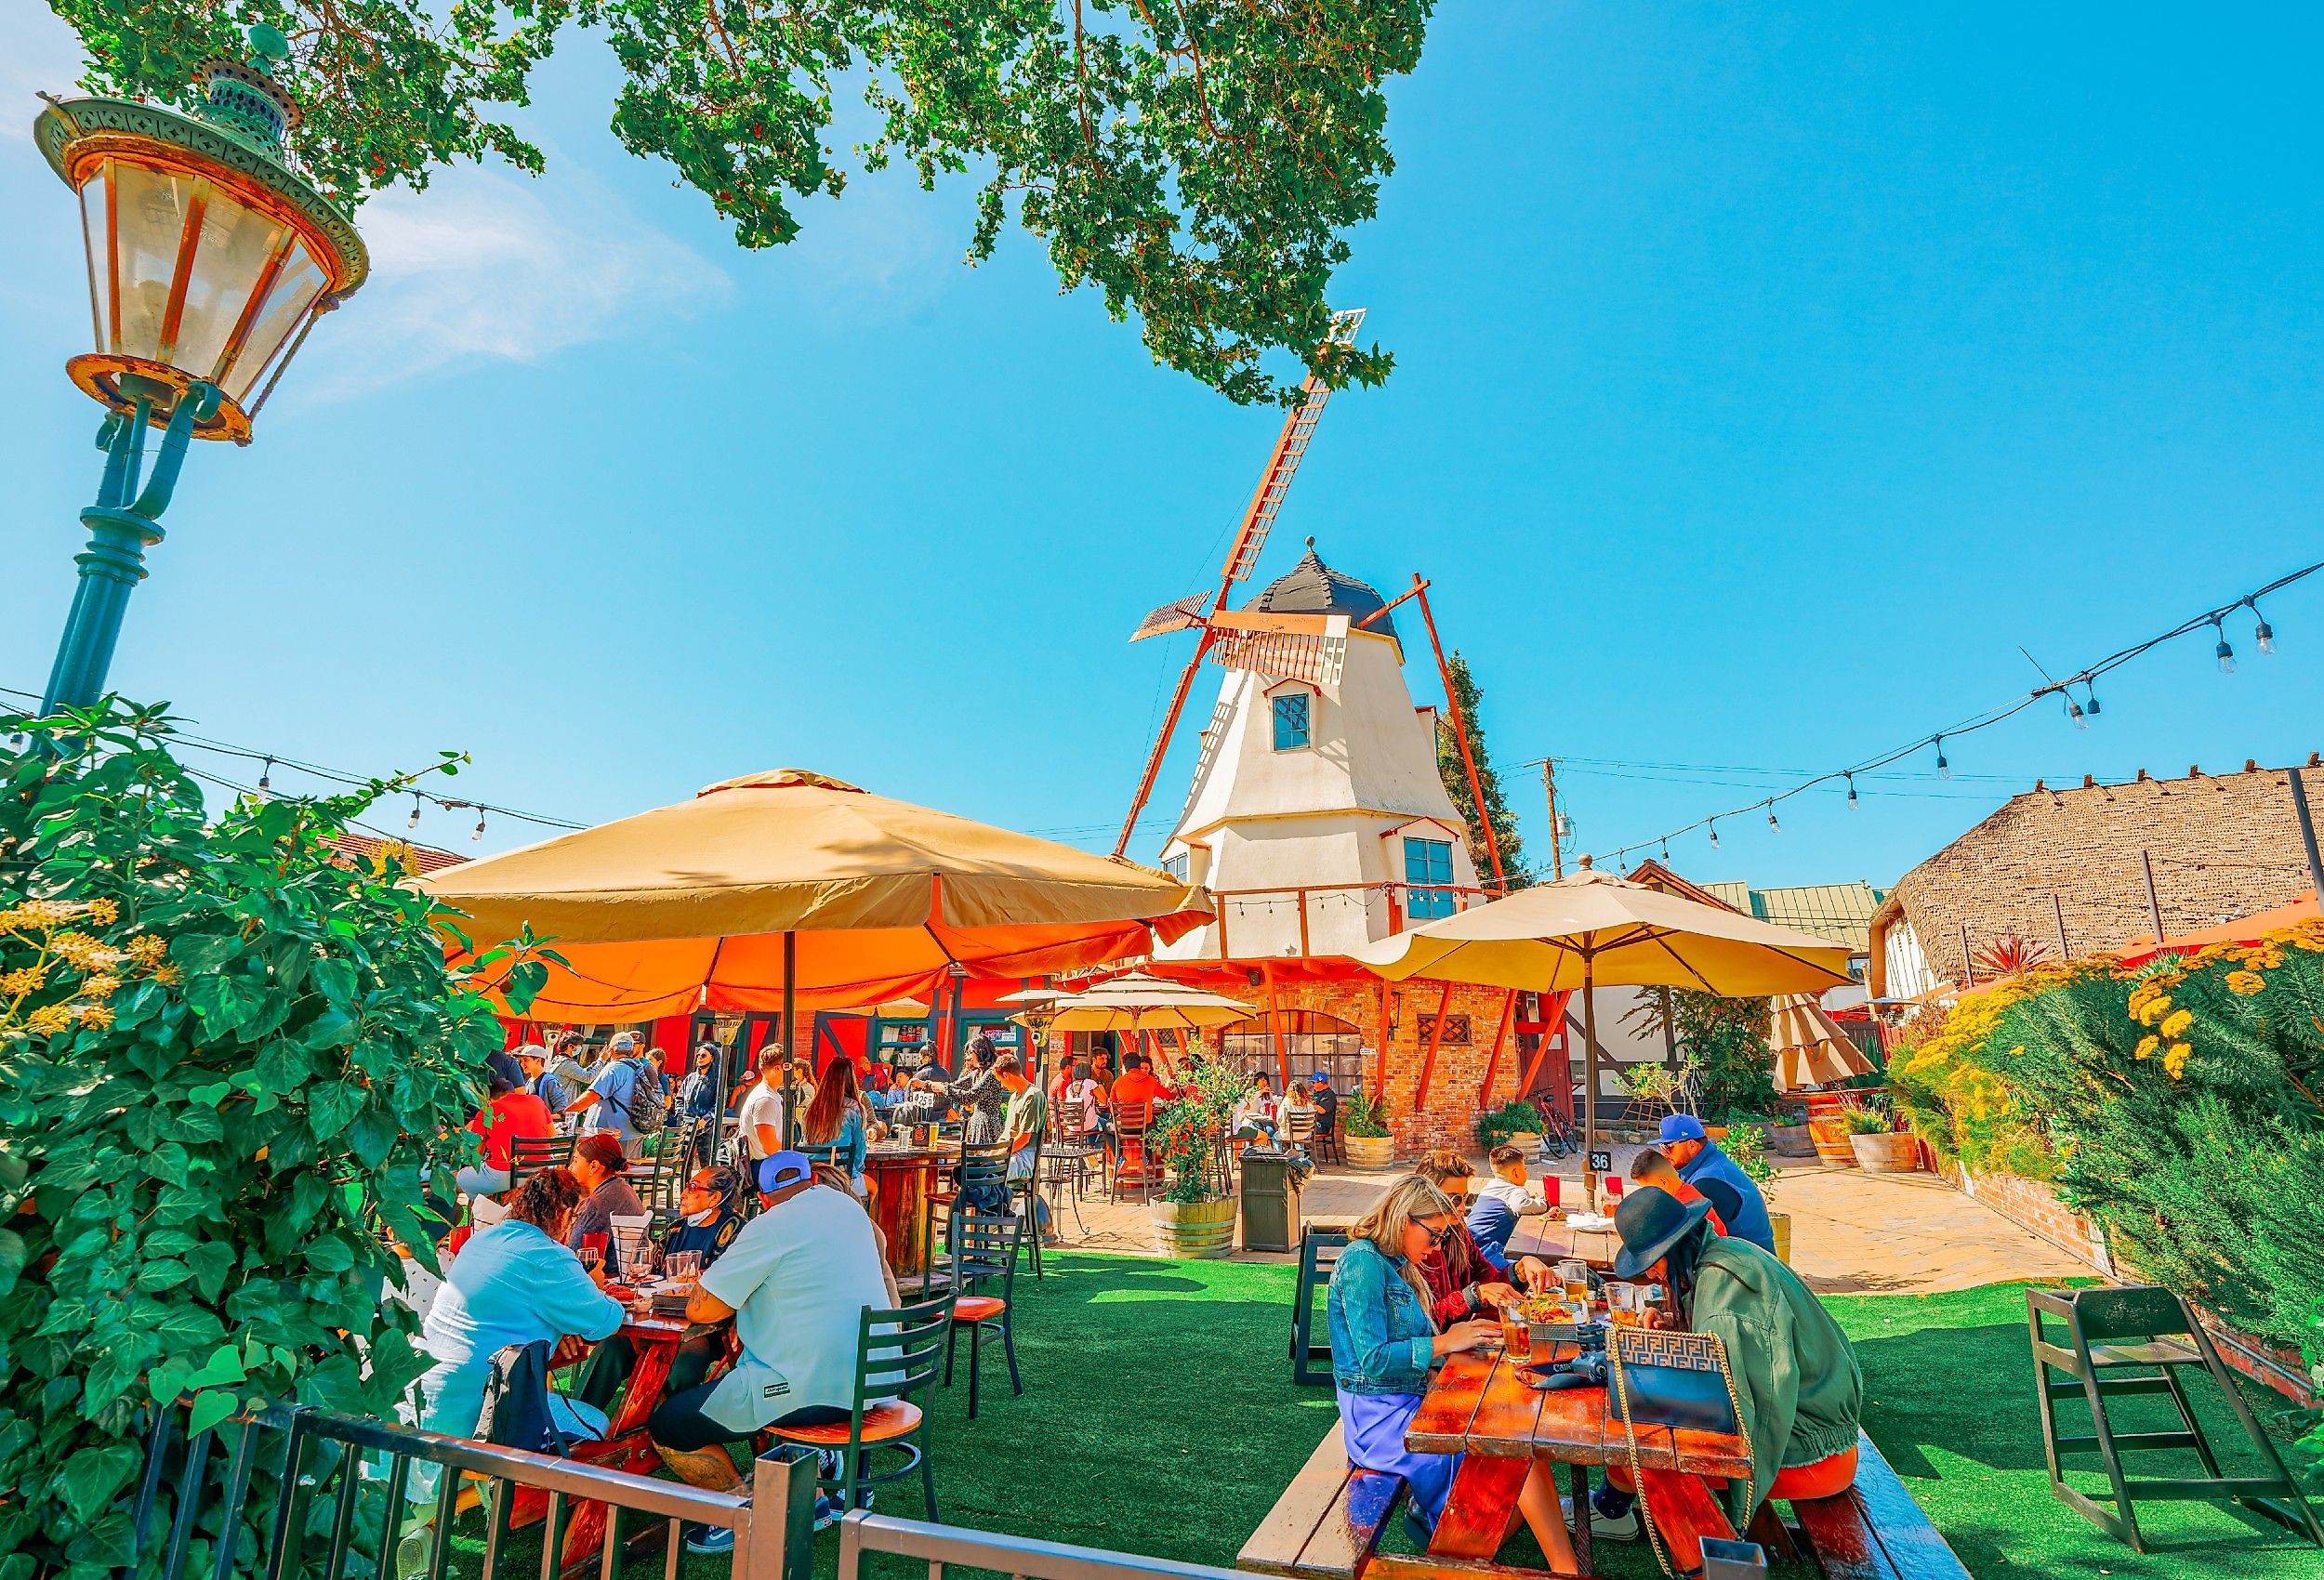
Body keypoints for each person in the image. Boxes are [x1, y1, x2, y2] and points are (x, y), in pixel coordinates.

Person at [1576, 1187, 1863, 1566]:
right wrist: (1674, 1327)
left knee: (1650, 1453)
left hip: (1817, 1451)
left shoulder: (1725, 1291)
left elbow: (1750, 1413)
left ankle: (1706, 1557)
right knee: (1639, 1442)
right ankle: (1614, 1511)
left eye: (1653, 1262)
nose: (1650, 1273)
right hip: (1815, 1423)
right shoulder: (1719, 1256)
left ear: (1673, 1248)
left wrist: (1736, 1517)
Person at [1327, 1176, 1578, 1567]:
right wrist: (1446, 1343)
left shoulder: (1395, 1262)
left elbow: (1418, 1330)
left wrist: (1455, 1341)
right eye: (1434, 1234)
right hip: (1380, 1418)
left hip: (1406, 1399)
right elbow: (1373, 1358)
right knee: (1507, 1451)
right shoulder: (1362, 1263)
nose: (1437, 1246)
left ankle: (1556, 1564)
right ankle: (1462, 1534)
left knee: (1519, 1446)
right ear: (1403, 1219)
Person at [650, 1152, 896, 1551]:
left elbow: (702, 1308)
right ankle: (811, 1483)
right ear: (811, 1179)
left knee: (668, 1425)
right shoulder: (847, 1209)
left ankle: (741, 1509)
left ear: (762, 1198)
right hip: (874, 1378)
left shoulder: (769, 1226)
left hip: (810, 1388)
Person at [407, 1170, 625, 1495]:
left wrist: (558, 1327)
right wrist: (594, 1286)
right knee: (597, 1424)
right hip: (481, 1412)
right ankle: (517, 1504)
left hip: (422, 1401)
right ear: (564, 1214)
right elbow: (605, 1321)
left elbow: (504, 1309)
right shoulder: (548, 1256)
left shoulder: (480, 1241)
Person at [1411, 1150, 1552, 1325]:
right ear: (1425, 1197)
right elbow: (1421, 1321)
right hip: (1439, 1347)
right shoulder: (1412, 1243)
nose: (1462, 1208)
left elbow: (1488, 1278)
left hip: (1466, 1337)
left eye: (1464, 1198)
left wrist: (1520, 1271)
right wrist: (1476, 1295)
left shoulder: (1458, 1232)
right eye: (1454, 1199)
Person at [1657, 1114, 1775, 1254]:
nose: (1663, 1153)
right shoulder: (1698, 1166)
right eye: (1661, 1146)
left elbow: (1688, 1240)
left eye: (1668, 1147)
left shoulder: (1709, 1181)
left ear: (1692, 1145)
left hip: (1753, 1267)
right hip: (1741, 1258)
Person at [458, 1050, 555, 1198]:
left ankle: (484, 1212)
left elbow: (476, 1154)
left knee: (462, 1177)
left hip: (503, 1174)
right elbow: (552, 1136)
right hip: (542, 1173)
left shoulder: (489, 1110)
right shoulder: (537, 1101)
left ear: (490, 1098)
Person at [564, 1032, 664, 1159]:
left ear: (611, 1050)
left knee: (607, 1175)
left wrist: (566, 1113)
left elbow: (591, 1096)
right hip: (635, 1132)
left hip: (614, 1137)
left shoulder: (615, 1068)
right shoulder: (640, 1066)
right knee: (625, 1175)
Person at [564, 1134, 649, 1275]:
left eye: (575, 1161)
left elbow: (574, 1253)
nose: (570, 1168)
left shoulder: (600, 1202)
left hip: (612, 1280)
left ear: (594, 1166)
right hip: (626, 1275)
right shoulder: (620, 1187)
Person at [997, 1052, 1055, 1244]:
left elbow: (1023, 1138)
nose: (1002, 1086)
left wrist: (996, 1152)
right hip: (1010, 1154)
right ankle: (996, 1215)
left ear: (1007, 1075)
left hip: (1023, 1158)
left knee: (987, 1172)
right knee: (975, 1173)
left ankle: (996, 1217)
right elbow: (1008, 1135)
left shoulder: (1033, 1096)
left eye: (1001, 1081)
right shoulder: (1014, 1097)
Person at [1465, 1143, 1552, 1257]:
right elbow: (1520, 1206)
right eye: (1524, 1169)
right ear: (1515, 1173)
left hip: (1470, 1242)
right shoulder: (1515, 1190)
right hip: (1486, 1249)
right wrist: (1543, 1203)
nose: (1526, 1172)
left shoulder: (1489, 1187)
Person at [919, 1037, 1010, 1144]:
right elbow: (955, 1085)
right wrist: (927, 1084)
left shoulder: (991, 1073)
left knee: (984, 1158)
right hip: (977, 1124)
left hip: (988, 1125)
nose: (970, 1057)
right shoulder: (977, 1073)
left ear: (979, 1052)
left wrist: (944, 1089)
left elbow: (970, 1097)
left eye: (971, 1052)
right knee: (973, 1158)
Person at [800, 1058, 871, 1193]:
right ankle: (859, 1214)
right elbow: (859, 1151)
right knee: (873, 1186)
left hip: (811, 1178)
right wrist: (857, 1170)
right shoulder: (855, 1109)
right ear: (851, 1080)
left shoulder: (811, 1108)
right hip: (840, 1177)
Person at [1630, 1147, 1729, 1237]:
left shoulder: (1681, 1207)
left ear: (1663, 1182)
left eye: (1647, 1189)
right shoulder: (1684, 1190)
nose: (1646, 1193)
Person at [737, 1054, 788, 1159]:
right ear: (777, 1068)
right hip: (764, 1165)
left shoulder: (771, 1095)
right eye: (788, 1067)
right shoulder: (766, 1100)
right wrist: (795, 1152)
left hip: (766, 1162)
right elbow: (770, 1147)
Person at [517, 1044, 574, 1115]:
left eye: (526, 1060)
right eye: (521, 1061)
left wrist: (541, 1119)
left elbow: (561, 1113)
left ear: (538, 1060)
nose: (522, 1064)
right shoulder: (529, 1082)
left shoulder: (550, 1081)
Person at [1110, 1050, 1174, 1110]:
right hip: (1146, 1120)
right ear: (1139, 1065)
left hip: (1124, 1120)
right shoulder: (1150, 1080)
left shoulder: (1118, 1082)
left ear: (1125, 1066)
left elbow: (1112, 1104)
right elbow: (1167, 1096)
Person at [1231, 1071, 1282, 1144]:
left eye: (1266, 1080)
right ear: (1257, 1081)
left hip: (1265, 1120)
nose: (1265, 1082)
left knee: (1271, 1132)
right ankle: (1253, 1151)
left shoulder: (1268, 1094)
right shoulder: (1250, 1091)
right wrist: (1261, 1092)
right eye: (1263, 1080)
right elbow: (1249, 1100)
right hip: (1251, 1120)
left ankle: (1270, 1152)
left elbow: (1270, 1105)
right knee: (1256, 1133)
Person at [1063, 1060, 1105, 1140]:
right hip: (1087, 1124)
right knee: (1108, 1125)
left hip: (1072, 1125)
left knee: (1094, 1120)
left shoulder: (1069, 1087)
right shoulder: (1090, 1083)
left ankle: (1089, 1147)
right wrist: (1100, 1086)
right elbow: (1104, 1101)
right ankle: (1097, 1149)